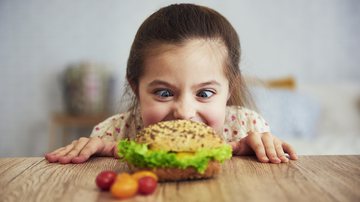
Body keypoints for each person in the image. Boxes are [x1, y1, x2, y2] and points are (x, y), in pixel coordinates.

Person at [45, 3, 297, 165]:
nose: (185, 112)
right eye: (164, 93)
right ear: (136, 87)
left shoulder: (246, 127)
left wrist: (262, 151)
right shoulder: (111, 134)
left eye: (205, 93)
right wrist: (94, 156)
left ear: (229, 88)